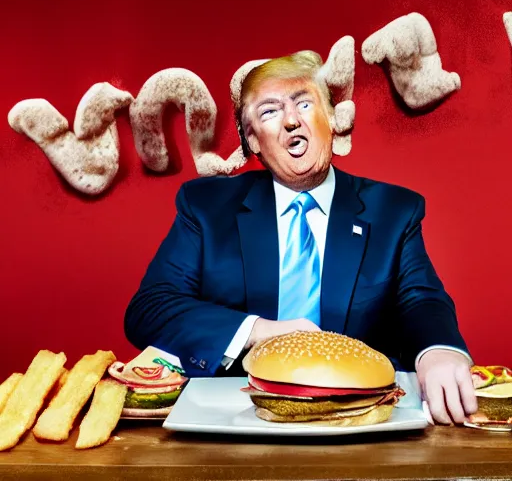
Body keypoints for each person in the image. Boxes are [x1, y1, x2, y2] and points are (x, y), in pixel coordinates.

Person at [124, 51, 477, 425]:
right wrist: (258, 331)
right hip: (238, 415)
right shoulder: (207, 207)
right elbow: (151, 308)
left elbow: (420, 299)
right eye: (269, 112)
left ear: (330, 121)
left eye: (304, 103)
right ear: (254, 142)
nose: (291, 120)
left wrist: (438, 350)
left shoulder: (394, 210)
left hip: (360, 417)